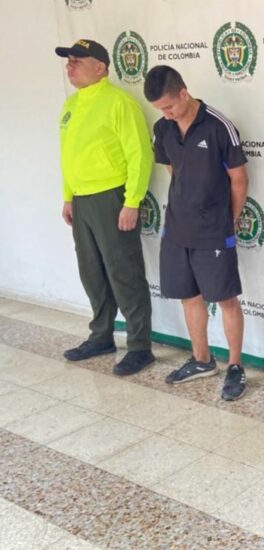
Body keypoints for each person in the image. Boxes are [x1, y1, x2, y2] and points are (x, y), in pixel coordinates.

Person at [143, 66, 249, 401]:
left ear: (184, 93)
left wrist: (227, 220)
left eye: (169, 106)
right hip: (176, 228)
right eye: (161, 109)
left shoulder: (219, 126)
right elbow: (175, 170)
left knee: (226, 298)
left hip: (214, 231)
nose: (166, 114)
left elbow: (239, 180)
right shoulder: (163, 129)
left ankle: (235, 366)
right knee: (189, 296)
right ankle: (202, 359)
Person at [55, 39, 155, 375]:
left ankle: (140, 346)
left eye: (77, 61)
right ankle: (101, 336)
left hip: (112, 198)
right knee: (92, 272)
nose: (70, 66)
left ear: (100, 67)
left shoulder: (119, 103)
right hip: (82, 201)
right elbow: (69, 156)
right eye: (68, 61)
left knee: (124, 272)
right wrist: (69, 196)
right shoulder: (71, 105)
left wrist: (131, 201)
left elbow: (139, 154)